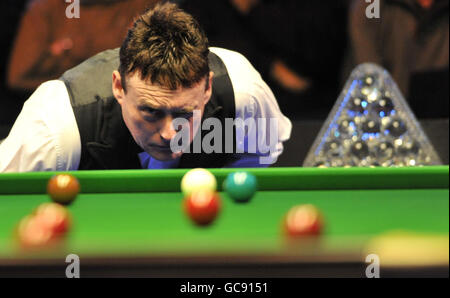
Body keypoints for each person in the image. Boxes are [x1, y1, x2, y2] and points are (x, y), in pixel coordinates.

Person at [0, 2, 292, 172]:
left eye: (185, 114)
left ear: (206, 90)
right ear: (118, 87)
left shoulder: (243, 93)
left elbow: (259, 159)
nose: (169, 134)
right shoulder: (56, 128)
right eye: (151, 111)